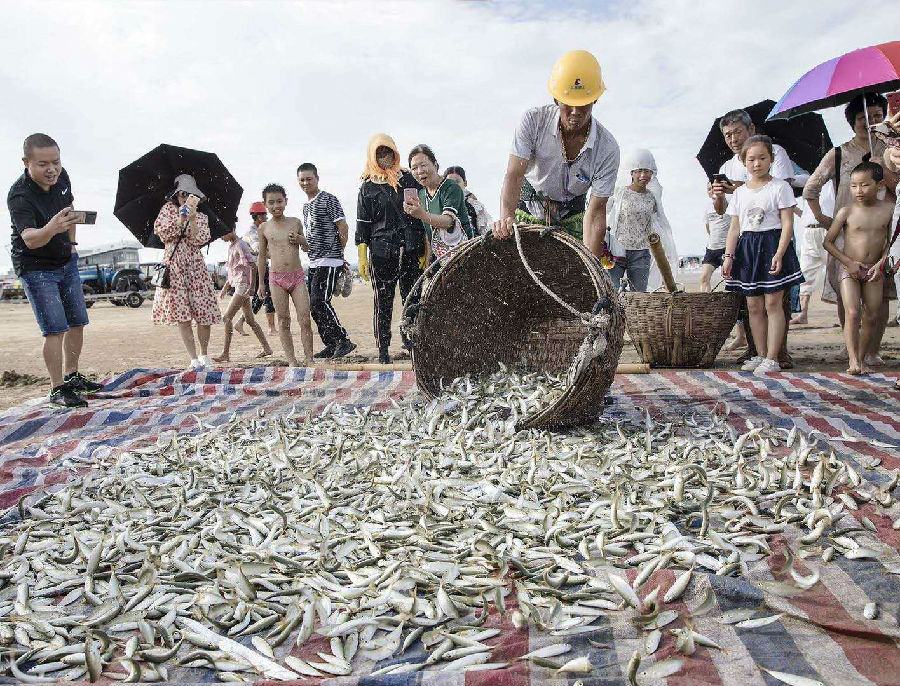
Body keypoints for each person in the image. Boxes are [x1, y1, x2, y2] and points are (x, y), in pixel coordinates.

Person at [491, 50, 620, 258]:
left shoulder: (607, 149)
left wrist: (593, 265)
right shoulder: (533, 121)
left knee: (578, 269)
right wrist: (507, 220)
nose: (575, 112)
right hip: (530, 205)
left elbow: (596, 212)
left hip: (573, 213)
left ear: (595, 100)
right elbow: (514, 175)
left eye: (583, 104)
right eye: (568, 103)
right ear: (556, 99)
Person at [7, 133, 103, 408]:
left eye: (56, 162)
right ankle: (57, 389)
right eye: (43, 164)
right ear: (26, 162)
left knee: (77, 322)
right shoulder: (19, 195)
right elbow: (30, 239)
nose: (52, 170)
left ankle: (72, 377)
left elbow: (69, 209)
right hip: (35, 267)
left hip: (65, 260)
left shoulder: (62, 178)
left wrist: (71, 245)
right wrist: (51, 228)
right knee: (54, 329)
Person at [803, 92, 898, 365]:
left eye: (877, 116)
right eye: (862, 118)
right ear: (852, 122)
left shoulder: (892, 151)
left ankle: (873, 350)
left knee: (881, 297)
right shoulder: (839, 153)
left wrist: (884, 166)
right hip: (847, 236)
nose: (870, 122)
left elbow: (897, 188)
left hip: (883, 234)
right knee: (849, 300)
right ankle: (851, 350)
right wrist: (824, 219)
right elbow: (811, 188)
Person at [711, 109, 800, 366]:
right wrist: (728, 256)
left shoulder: (780, 186)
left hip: (772, 242)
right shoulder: (739, 191)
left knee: (774, 303)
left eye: (762, 158)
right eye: (751, 160)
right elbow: (733, 227)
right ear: (744, 162)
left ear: (771, 158)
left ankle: (774, 357)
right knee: (752, 305)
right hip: (747, 246)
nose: (757, 163)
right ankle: (759, 355)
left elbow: (787, 222)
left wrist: (780, 252)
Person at [356, 133, 424, 364]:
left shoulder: (409, 179)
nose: (385, 156)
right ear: (372, 155)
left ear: (395, 152)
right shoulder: (367, 187)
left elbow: (419, 216)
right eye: (380, 152)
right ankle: (383, 348)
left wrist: (424, 248)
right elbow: (363, 225)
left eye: (388, 151)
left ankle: (412, 343)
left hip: (411, 248)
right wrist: (362, 256)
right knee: (383, 301)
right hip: (382, 252)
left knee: (412, 298)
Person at [823, 161, 894, 375]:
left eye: (864, 185)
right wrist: (849, 262)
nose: (858, 190)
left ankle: (862, 359)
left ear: (880, 185)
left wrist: (881, 263)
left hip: (875, 270)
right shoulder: (846, 211)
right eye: (854, 185)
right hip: (850, 268)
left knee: (872, 315)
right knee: (852, 312)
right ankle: (853, 360)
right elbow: (828, 242)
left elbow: (891, 241)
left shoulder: (889, 210)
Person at [151, 175, 222, 370]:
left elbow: (199, 239)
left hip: (195, 267)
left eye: (190, 194)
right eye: (182, 193)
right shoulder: (167, 209)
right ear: (176, 194)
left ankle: (204, 353)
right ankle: (193, 358)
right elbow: (162, 233)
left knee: (204, 312)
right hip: (174, 267)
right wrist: (180, 219)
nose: (185, 197)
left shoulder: (201, 216)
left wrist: (192, 220)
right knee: (182, 315)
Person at [297, 162, 356, 359]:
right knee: (313, 305)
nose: (306, 183)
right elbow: (311, 238)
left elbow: (343, 226)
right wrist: (302, 242)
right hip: (314, 260)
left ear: (317, 179)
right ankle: (331, 344)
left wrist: (340, 253)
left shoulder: (328, 199)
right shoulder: (306, 207)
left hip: (330, 259)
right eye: (302, 180)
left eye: (309, 179)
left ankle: (342, 340)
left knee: (319, 300)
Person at [256, 183, 314, 367]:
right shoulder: (264, 228)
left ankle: (309, 358)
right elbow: (261, 257)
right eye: (271, 202)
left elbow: (307, 248)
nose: (276, 206)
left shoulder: (295, 222)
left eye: (279, 201)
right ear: (265, 205)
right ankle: (292, 360)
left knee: (305, 319)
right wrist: (261, 284)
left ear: (286, 201)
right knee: (283, 320)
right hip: (276, 279)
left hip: (297, 277)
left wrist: (301, 239)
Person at [605, 149, 678, 292]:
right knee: (612, 292)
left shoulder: (653, 197)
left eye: (647, 171)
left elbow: (659, 224)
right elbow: (603, 211)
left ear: (652, 174)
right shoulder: (619, 192)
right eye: (639, 171)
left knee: (639, 295)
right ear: (631, 173)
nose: (643, 175)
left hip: (641, 253)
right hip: (617, 251)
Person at [404, 145, 472, 265]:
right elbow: (429, 230)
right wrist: (428, 259)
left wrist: (421, 214)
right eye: (414, 168)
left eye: (423, 165)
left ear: (435, 165)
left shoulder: (451, 187)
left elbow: (448, 221)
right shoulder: (421, 194)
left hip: (463, 254)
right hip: (441, 258)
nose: (419, 171)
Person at [212, 229, 272, 363]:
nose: (221, 238)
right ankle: (267, 348)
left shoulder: (241, 245)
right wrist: (225, 287)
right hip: (239, 284)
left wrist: (252, 287)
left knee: (227, 318)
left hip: (243, 286)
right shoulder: (232, 246)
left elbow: (252, 266)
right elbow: (233, 271)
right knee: (250, 321)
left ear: (232, 230)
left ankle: (225, 354)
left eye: (222, 234)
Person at [791, 183, 835, 325]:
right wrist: (796, 210)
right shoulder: (810, 183)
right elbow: (804, 213)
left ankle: (851, 313)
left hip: (828, 230)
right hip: (809, 231)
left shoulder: (835, 183)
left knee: (838, 273)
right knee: (805, 273)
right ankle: (803, 314)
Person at [236, 201, 276, 336]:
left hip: (261, 267)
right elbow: (259, 249)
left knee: (261, 297)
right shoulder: (251, 233)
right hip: (255, 269)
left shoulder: (263, 231)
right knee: (267, 294)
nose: (267, 217)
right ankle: (271, 328)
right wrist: (279, 255)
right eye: (265, 215)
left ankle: (240, 322)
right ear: (259, 217)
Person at [444, 166, 492, 236]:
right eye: (449, 182)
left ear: (465, 183)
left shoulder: (475, 205)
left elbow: (484, 233)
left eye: (457, 182)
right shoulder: (439, 204)